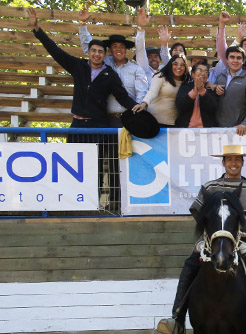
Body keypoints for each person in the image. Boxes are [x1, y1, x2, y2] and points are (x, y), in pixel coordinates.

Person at [157, 144, 246, 334]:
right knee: (190, 265)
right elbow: (200, 214)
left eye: (237, 159)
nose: (233, 163)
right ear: (223, 162)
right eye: (229, 159)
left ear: (242, 163)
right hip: (213, 239)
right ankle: (176, 318)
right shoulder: (209, 187)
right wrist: (209, 235)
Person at [28, 8, 139, 210]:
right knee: (74, 166)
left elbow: (123, 96)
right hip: (77, 125)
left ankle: (96, 204)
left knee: (97, 168)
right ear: (88, 53)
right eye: (93, 51)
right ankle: (75, 205)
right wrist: (37, 29)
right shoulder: (78, 66)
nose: (97, 54)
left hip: (98, 126)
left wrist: (137, 106)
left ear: (104, 55)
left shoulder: (110, 74)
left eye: (100, 51)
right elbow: (55, 51)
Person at [77, 6, 148, 127]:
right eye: (115, 46)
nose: (118, 49)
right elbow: (88, 48)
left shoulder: (136, 69)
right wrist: (82, 24)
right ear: (109, 50)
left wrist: (137, 114)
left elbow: (141, 94)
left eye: (122, 46)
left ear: (126, 50)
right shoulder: (105, 63)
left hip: (129, 119)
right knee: (107, 146)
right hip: (105, 120)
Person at [214, 46, 246, 135]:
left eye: (238, 58)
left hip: (238, 130)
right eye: (232, 57)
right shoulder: (220, 76)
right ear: (227, 60)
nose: (235, 60)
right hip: (217, 130)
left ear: (243, 61)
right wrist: (214, 86)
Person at [134, 54, 190, 127]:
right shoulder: (160, 76)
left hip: (175, 124)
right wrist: (144, 104)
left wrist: (209, 84)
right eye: (175, 64)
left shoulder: (187, 82)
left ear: (185, 67)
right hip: (156, 122)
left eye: (182, 65)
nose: (178, 67)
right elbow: (152, 92)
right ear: (170, 65)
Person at [132, 7, 171, 84]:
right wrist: (141, 27)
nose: (153, 59)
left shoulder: (164, 70)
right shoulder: (144, 69)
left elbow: (167, 60)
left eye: (156, 56)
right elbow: (140, 51)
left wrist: (164, 44)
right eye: (149, 57)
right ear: (145, 59)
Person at [175, 61, 218, 128]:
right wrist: (194, 92)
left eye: (206, 72)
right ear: (193, 74)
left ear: (208, 76)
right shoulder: (186, 86)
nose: (203, 74)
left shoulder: (211, 89)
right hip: (186, 129)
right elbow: (180, 105)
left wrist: (202, 91)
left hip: (206, 130)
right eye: (199, 70)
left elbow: (213, 108)